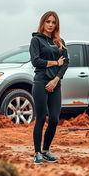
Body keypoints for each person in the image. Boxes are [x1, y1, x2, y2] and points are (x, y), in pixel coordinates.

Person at [29, 11, 69, 164]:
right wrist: (54, 63)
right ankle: (37, 153)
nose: (51, 25)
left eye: (53, 22)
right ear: (43, 23)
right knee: (40, 118)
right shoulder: (36, 40)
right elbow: (36, 61)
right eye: (48, 22)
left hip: (55, 84)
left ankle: (46, 150)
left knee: (54, 119)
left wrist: (56, 79)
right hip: (40, 82)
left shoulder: (59, 41)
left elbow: (66, 63)